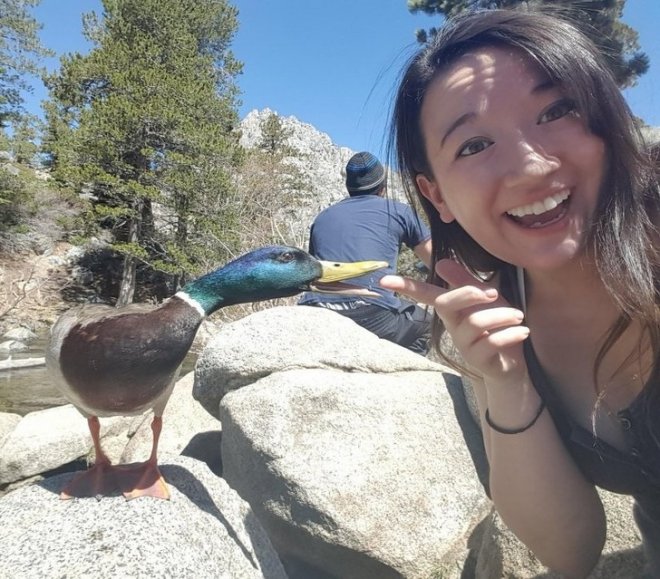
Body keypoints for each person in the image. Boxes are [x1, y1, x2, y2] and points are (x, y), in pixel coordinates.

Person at [380, 8, 660, 578]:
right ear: (437, 197)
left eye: (555, 111)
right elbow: (570, 551)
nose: (530, 166)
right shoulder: (499, 321)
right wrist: (506, 382)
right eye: (474, 145)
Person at [298, 151, 433, 354]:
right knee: (428, 326)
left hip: (316, 310)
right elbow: (436, 260)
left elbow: (316, 271)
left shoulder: (322, 217)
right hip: (372, 312)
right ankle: (399, 371)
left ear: (349, 187)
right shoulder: (399, 211)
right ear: (383, 187)